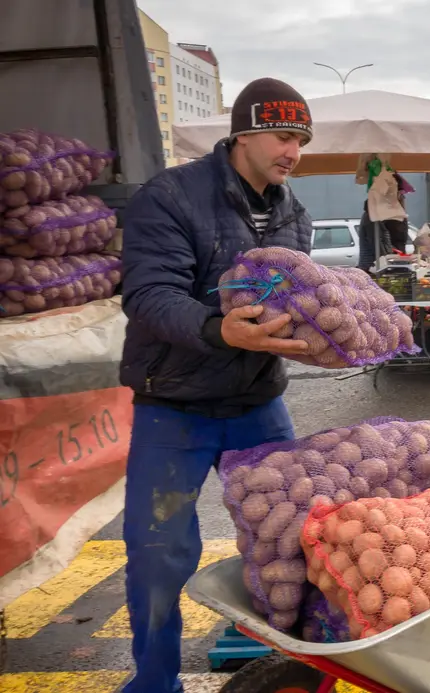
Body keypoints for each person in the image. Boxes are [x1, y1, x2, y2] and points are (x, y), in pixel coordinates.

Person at [118, 77, 315, 693]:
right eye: (285, 136)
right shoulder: (171, 196)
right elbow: (148, 294)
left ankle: (270, 657)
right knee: (158, 556)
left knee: (288, 542)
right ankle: (154, 681)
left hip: (257, 404)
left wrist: (328, 333)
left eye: (302, 141)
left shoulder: (292, 210)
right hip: (173, 407)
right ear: (245, 132)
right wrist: (218, 328)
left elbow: (296, 297)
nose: (294, 152)